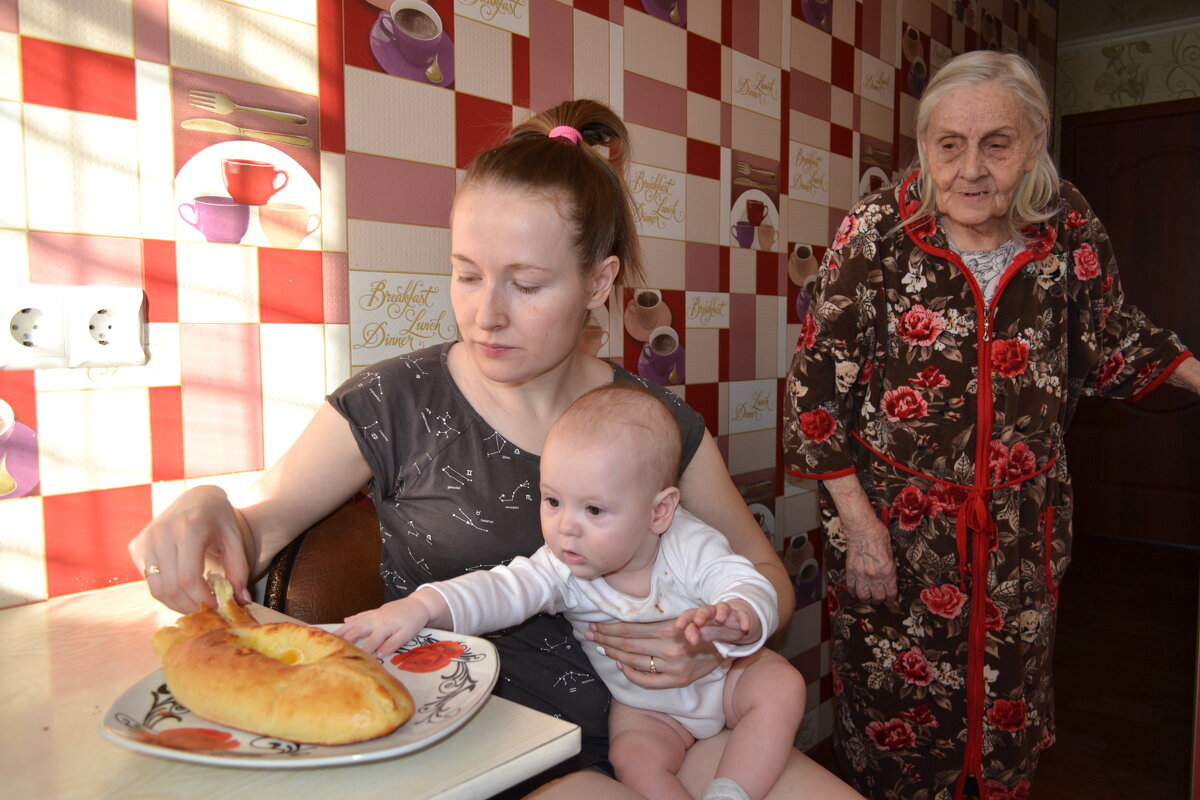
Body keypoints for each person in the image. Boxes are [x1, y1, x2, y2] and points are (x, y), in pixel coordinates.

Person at [130, 99, 861, 799]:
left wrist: (714, 643)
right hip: (497, 752)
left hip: (677, 732)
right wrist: (207, 506)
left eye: (527, 283)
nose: (487, 314)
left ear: (598, 282)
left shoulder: (652, 423)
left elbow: (763, 574)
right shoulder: (393, 402)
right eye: (467, 274)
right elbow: (263, 525)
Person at [784, 48, 1200, 800]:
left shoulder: (1066, 224)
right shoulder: (878, 231)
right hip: (895, 530)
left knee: (1005, 716)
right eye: (950, 145)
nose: (971, 168)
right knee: (895, 724)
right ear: (924, 147)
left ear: (1034, 144)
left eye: (996, 144)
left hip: (1021, 530)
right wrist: (861, 526)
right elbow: (816, 389)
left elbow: (1111, 339)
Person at [337, 382, 806, 800]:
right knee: (632, 756)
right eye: (553, 501)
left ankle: (732, 790)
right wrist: (421, 607)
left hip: (726, 681)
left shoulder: (687, 544)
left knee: (781, 683)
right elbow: (499, 590)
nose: (566, 529)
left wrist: (739, 616)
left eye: (595, 510)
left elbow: (745, 580)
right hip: (646, 708)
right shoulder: (561, 567)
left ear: (659, 512)